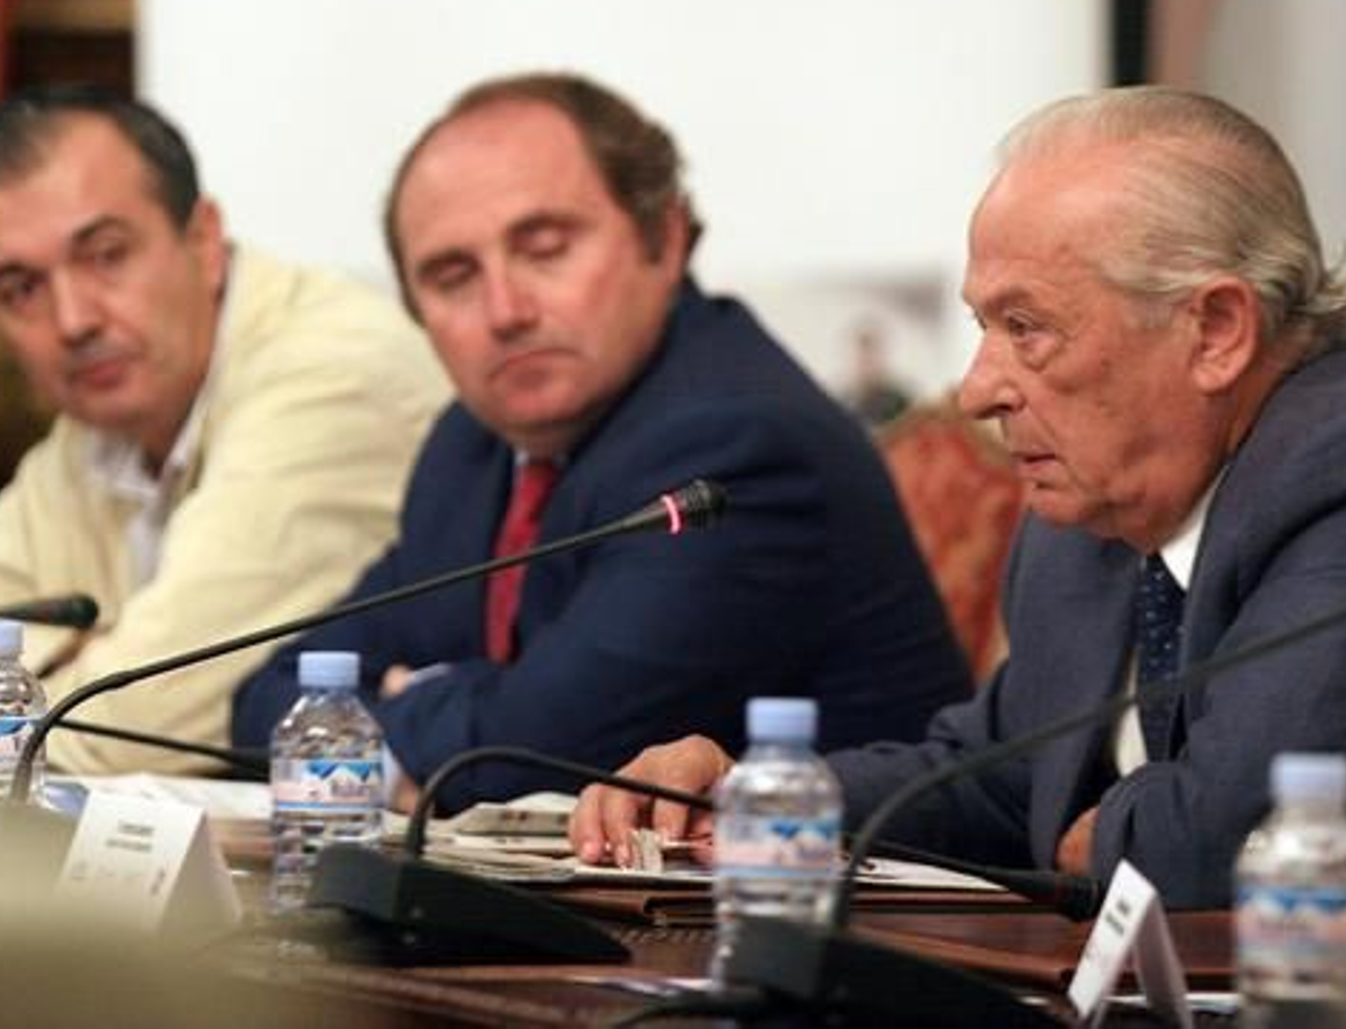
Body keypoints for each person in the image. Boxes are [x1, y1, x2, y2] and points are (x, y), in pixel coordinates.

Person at [569, 86, 1346, 909]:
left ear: (1217, 330)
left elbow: (1229, 847)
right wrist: (758, 798)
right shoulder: (1098, 509)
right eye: (985, 326)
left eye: (1027, 328)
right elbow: (993, 778)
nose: (978, 390)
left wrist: (1095, 833)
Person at [230, 73, 973, 808]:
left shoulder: (740, 444)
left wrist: (410, 696)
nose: (506, 310)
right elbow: (273, 701)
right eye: (454, 276)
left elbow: (524, 760)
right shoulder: (471, 446)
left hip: (815, 882)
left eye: (546, 249)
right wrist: (460, 703)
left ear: (665, 238)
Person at [0, 85, 449, 773]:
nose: (73, 320)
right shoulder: (105, 421)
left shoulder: (336, 374)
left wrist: (14, 685)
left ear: (204, 242)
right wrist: (73, 660)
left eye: (106, 255)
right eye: (21, 288)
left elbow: (129, 730)